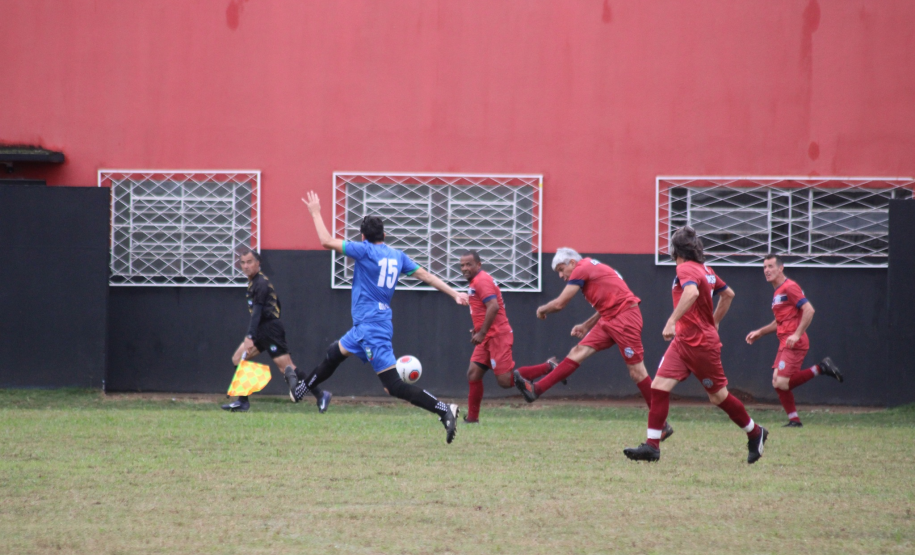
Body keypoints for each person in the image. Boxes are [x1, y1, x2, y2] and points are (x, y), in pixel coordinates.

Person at [287, 191, 468, 443]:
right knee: (333, 354)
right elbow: (426, 276)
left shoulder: (364, 251)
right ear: (384, 235)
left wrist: (315, 211)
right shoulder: (397, 255)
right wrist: (454, 293)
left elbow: (326, 241)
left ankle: (443, 410)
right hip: (365, 326)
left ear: (363, 237)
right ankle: (303, 389)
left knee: (393, 386)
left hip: (372, 328)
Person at [623, 227, 769, 464]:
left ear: (675, 250)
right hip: (683, 342)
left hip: (701, 344)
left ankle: (755, 432)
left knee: (718, 397)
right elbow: (728, 294)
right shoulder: (706, 269)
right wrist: (715, 321)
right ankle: (652, 446)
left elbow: (690, 292)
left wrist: (672, 320)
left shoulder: (685, 268)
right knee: (658, 387)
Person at [513, 248, 674, 440]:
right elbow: (609, 301)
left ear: (572, 262)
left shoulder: (582, 268)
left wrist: (541, 309)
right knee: (577, 351)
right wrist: (586, 325)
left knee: (637, 372)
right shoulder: (592, 268)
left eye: (561, 269)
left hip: (625, 319)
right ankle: (536, 390)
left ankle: (661, 424)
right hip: (609, 318)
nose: (561, 275)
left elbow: (559, 304)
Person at [746, 254, 843, 427]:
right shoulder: (778, 292)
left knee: (782, 382)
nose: (767, 271)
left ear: (781, 268)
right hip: (785, 342)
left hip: (795, 343)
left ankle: (820, 368)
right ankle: (794, 420)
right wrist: (760, 332)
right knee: (777, 381)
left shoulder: (790, 287)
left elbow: (809, 310)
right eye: (764, 267)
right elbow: (780, 321)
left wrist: (797, 334)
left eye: (770, 266)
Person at [222, 248, 299, 412]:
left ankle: (319, 394)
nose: (245, 266)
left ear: (258, 263)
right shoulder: (253, 282)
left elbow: (257, 313)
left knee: (287, 368)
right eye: (242, 263)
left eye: (249, 262)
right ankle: (242, 402)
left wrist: (250, 335)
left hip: (269, 329)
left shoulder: (261, 283)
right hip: (262, 330)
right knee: (238, 358)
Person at [460, 250, 523, 423]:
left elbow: (493, 307)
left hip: (496, 335)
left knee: (505, 381)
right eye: (462, 265)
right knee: (473, 373)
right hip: (486, 335)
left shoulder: (482, 281)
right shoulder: (475, 281)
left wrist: (482, 332)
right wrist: (478, 329)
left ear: (479, 265)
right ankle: (472, 419)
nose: (464, 268)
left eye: (469, 264)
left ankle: (548, 368)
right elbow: (483, 308)